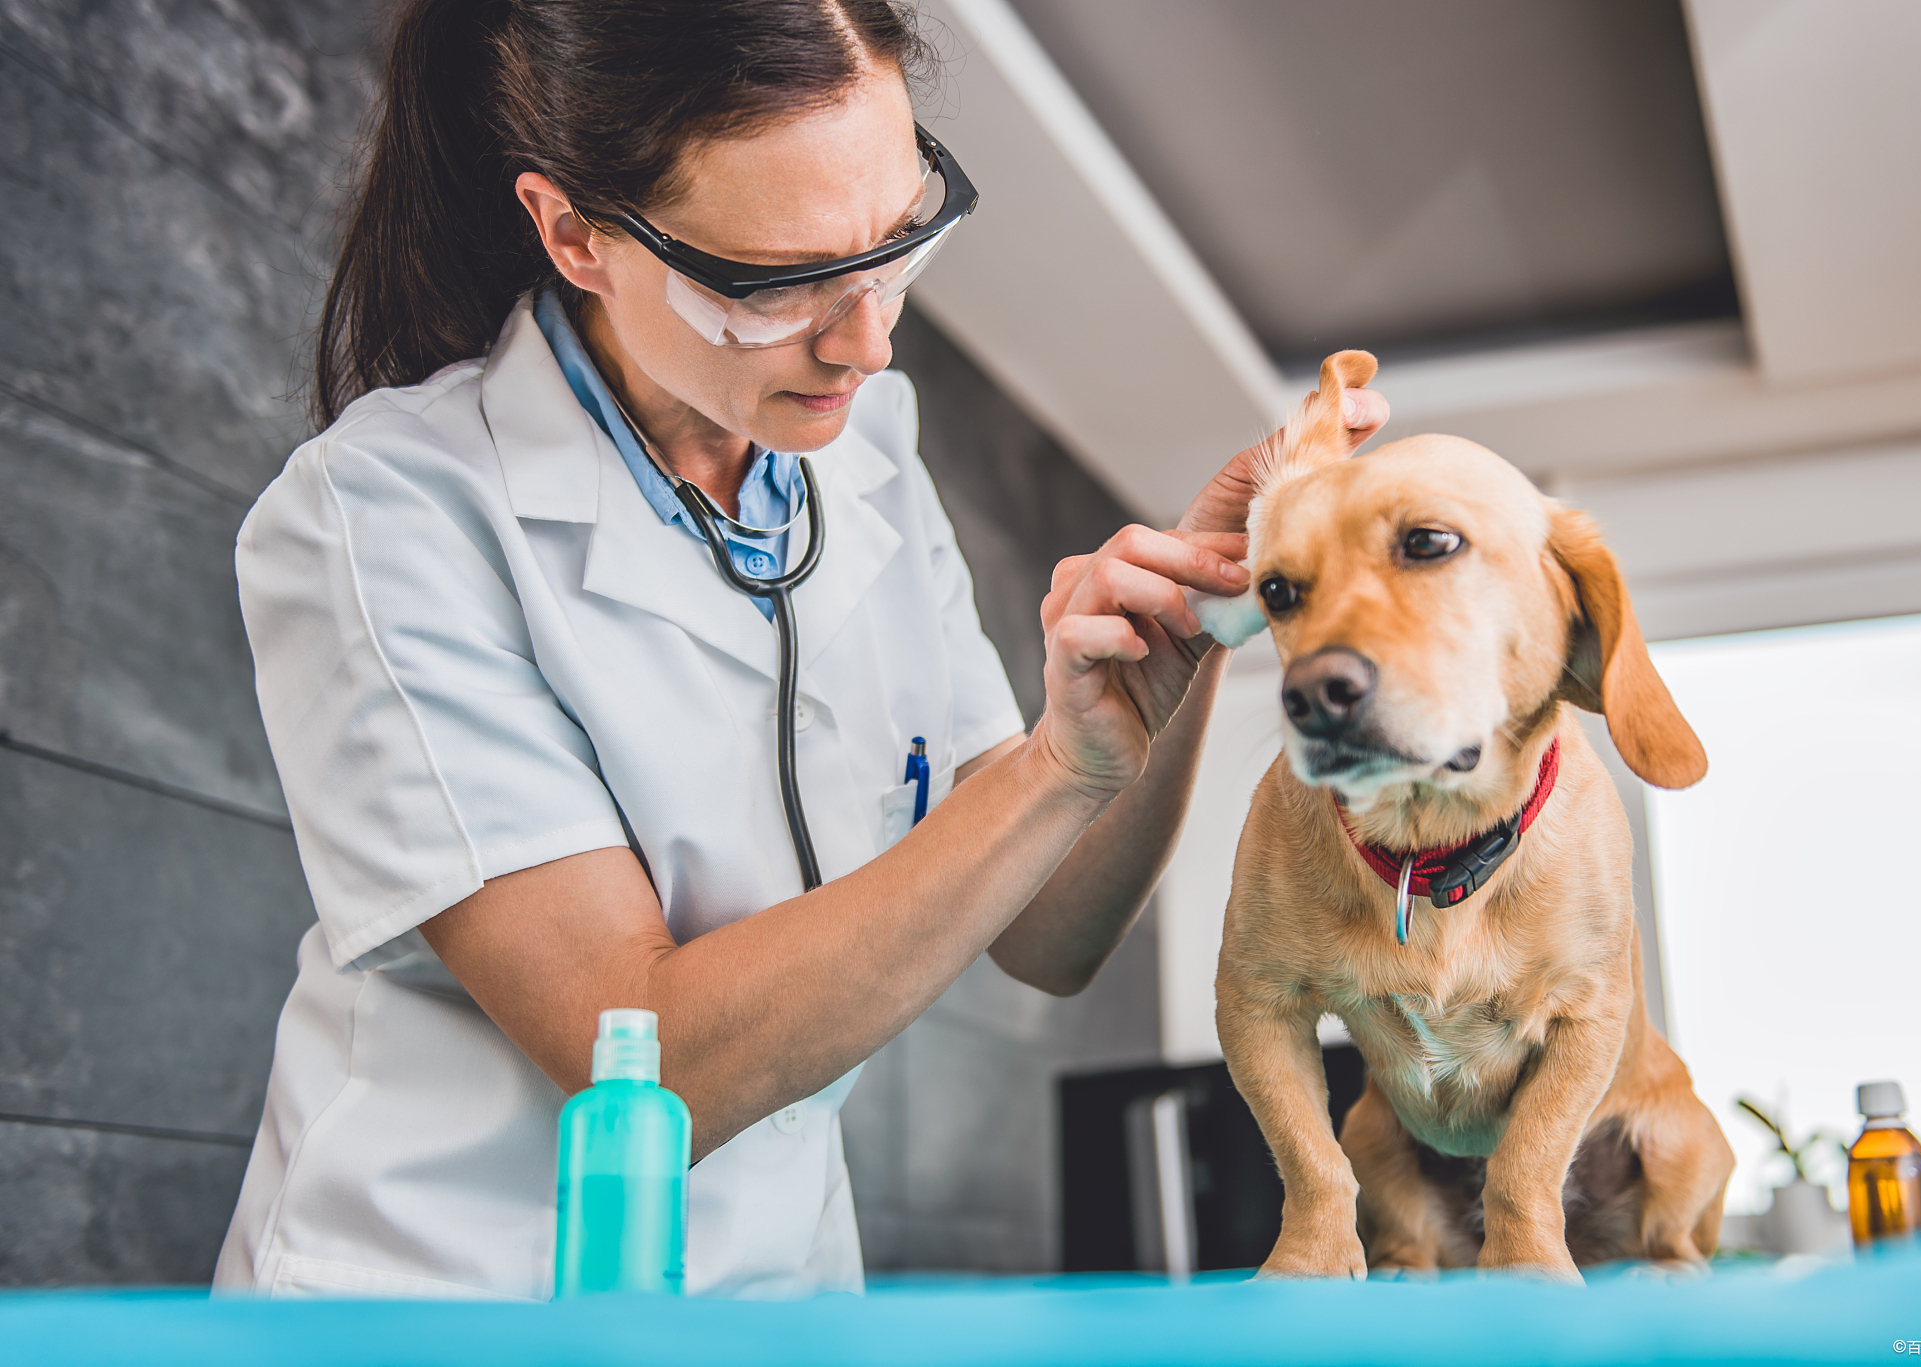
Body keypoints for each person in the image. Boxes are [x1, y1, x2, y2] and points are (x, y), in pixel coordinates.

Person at [214, 0, 1388, 1300]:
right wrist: (1053, 766)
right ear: (574, 235)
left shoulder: (870, 455)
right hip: (457, 1303)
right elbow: (646, 1062)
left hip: (780, 1297)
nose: (868, 340)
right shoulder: (390, 513)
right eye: (774, 284)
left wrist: (1185, 642)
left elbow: (1048, 934)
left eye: (895, 244)